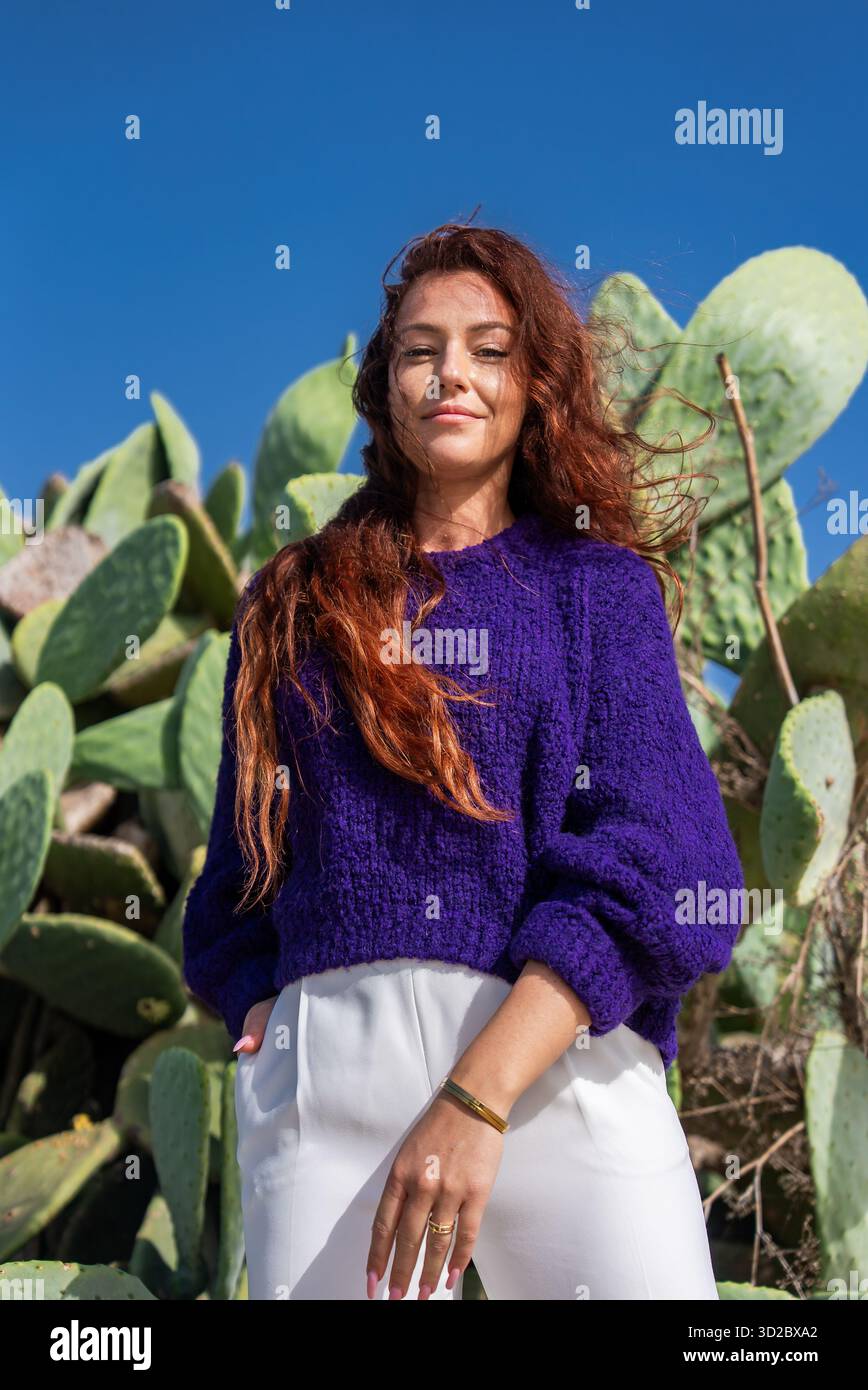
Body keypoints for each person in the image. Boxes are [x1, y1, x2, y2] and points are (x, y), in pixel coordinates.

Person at [181, 221, 745, 1301]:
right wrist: (265, 1013)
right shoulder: (292, 601)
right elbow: (239, 866)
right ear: (385, 384)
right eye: (420, 348)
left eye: (489, 349)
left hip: (555, 1064)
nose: (452, 374)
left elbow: (673, 856)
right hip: (330, 1081)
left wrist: (477, 1095)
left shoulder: (596, 587)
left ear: (535, 382)